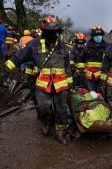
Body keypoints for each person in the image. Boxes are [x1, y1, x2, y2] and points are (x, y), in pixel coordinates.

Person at [4, 16, 73, 144]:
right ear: (44, 31)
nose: (53, 34)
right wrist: (8, 66)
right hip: (43, 84)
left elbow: (67, 65)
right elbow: (19, 56)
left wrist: (70, 81)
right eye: (50, 32)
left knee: (61, 109)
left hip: (61, 84)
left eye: (55, 32)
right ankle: (47, 122)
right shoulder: (33, 44)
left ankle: (60, 132)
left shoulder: (63, 46)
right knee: (43, 106)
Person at [81, 25, 108, 93]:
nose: (98, 37)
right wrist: (82, 71)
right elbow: (81, 59)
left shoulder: (107, 47)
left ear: (102, 35)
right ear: (93, 36)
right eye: (96, 35)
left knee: (101, 94)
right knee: (91, 94)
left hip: (102, 76)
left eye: (99, 35)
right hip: (89, 76)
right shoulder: (87, 47)